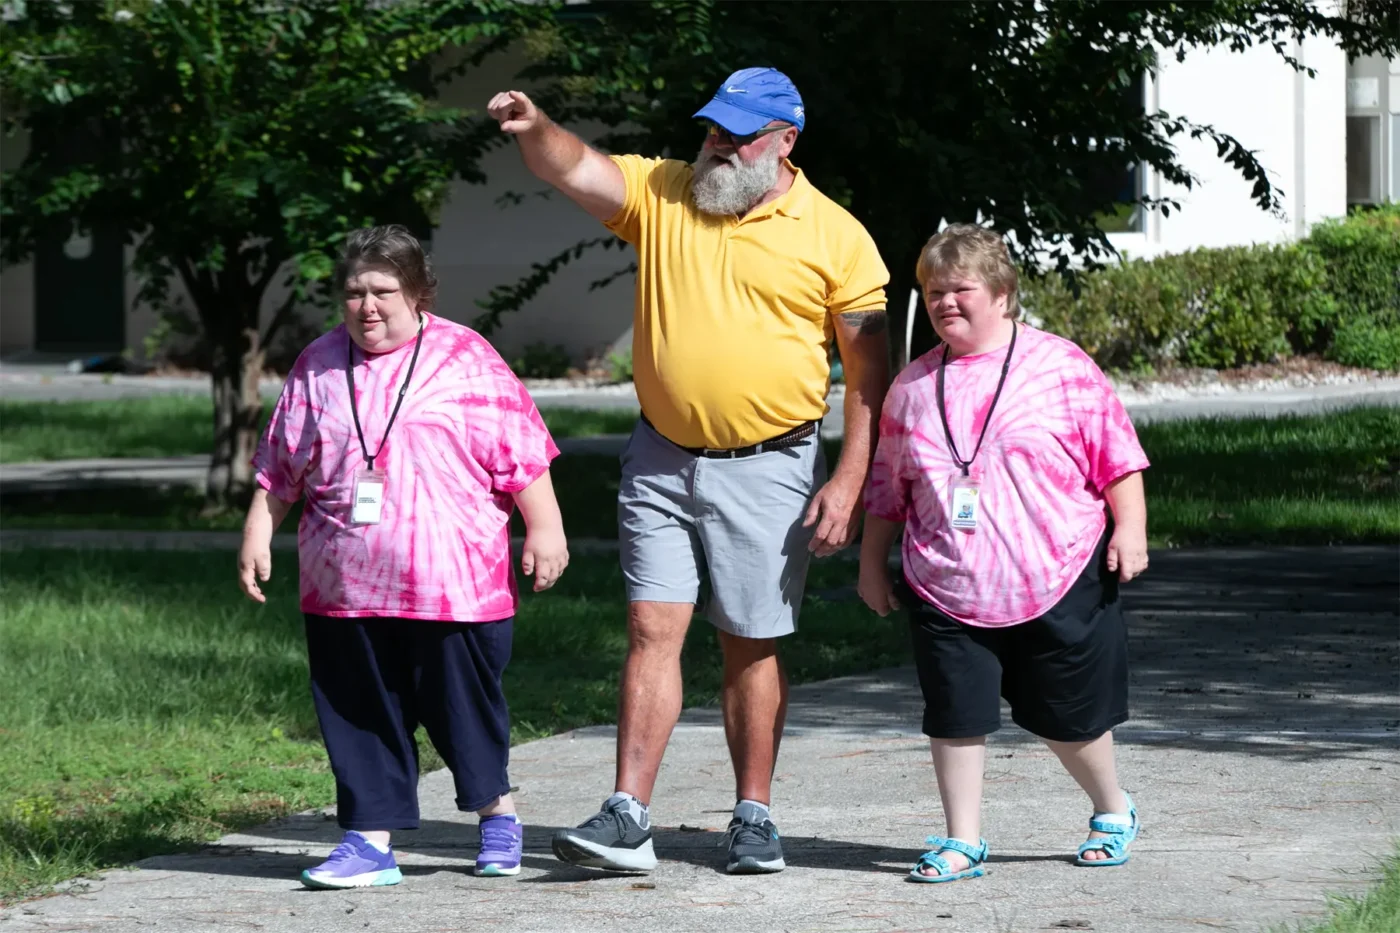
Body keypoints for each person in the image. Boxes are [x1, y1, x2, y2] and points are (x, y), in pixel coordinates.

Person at [487, 67, 891, 874]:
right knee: (650, 629)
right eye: (711, 128)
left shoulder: (836, 234)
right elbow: (573, 165)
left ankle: (753, 817)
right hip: (661, 457)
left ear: (785, 142)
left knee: (750, 642)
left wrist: (850, 481)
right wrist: (535, 125)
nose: (716, 144)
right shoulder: (665, 193)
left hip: (771, 464)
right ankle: (627, 815)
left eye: (736, 134)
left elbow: (871, 378)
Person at [237, 225, 569, 888]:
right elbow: (282, 465)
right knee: (359, 708)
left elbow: (521, 454)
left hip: (453, 583)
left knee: (460, 707)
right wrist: (255, 533)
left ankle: (495, 811)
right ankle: (369, 839)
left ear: (418, 292)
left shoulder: (466, 358)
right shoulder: (319, 364)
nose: (367, 306)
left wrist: (546, 528)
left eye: (383, 291)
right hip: (344, 585)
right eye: (354, 292)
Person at [858, 224, 1151, 883]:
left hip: (1056, 569)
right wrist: (871, 563)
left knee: (1065, 715)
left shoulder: (1061, 365)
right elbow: (888, 486)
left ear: (1001, 292)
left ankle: (1111, 807)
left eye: (960, 288)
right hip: (945, 580)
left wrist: (1130, 527)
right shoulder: (911, 387)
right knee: (955, 711)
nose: (945, 302)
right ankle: (963, 839)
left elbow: (1118, 457)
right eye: (933, 291)